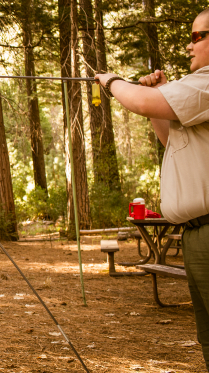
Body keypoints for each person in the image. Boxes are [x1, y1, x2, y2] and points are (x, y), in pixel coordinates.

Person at [96, 8, 209, 369]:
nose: (189, 46)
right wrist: (162, 94)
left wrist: (112, 82)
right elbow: (169, 140)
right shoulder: (198, 92)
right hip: (196, 234)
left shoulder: (208, 83)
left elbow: (140, 102)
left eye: (197, 37)